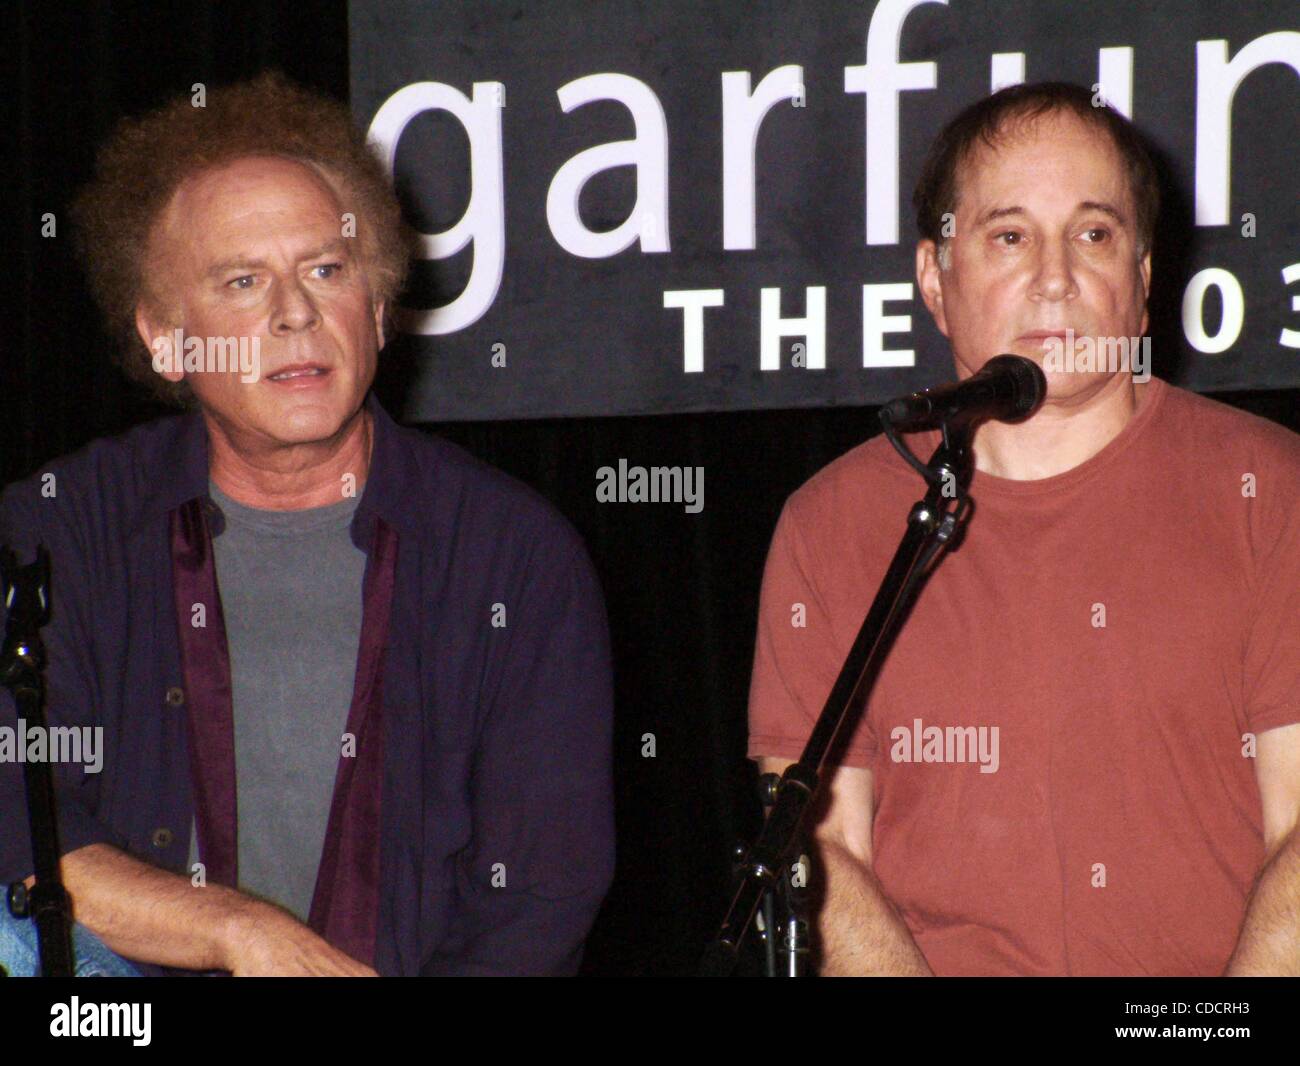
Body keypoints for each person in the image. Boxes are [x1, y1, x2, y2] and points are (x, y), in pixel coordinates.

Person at [0, 71, 614, 976]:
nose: (295, 314)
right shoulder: (63, 530)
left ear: (375, 307)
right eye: (243, 282)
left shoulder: (512, 559)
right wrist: (237, 932)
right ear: (167, 339)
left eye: (326, 270)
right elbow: (12, 818)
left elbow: (538, 900)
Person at [748, 82, 1300, 976]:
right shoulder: (834, 524)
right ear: (934, 275)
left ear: (1146, 279)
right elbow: (823, 854)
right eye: (1010, 236)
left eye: (1094, 234)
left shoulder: (1272, 494)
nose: (1056, 276)